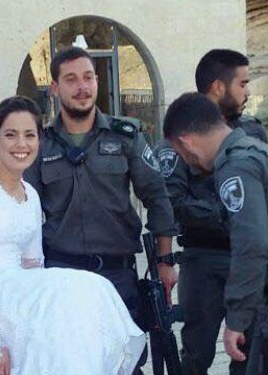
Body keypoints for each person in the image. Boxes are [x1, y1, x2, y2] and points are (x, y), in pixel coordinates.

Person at [0, 96, 146, 375]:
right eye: (10, 135)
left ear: (39, 140)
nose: (21, 145)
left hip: (16, 287)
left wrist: (41, 309)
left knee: (87, 293)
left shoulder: (31, 195)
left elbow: (33, 266)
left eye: (29, 135)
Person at [153, 48, 268, 375]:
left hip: (250, 263)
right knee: (196, 354)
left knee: (249, 353)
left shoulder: (250, 133)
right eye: (242, 83)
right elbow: (173, 204)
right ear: (218, 86)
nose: (247, 91)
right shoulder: (180, 135)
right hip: (204, 260)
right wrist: (235, 215)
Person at [23, 46, 178, 373]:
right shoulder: (41, 144)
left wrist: (165, 261)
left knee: (125, 362)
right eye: (71, 79)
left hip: (116, 277)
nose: (82, 86)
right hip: (62, 276)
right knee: (69, 363)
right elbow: (21, 208)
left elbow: (157, 196)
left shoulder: (126, 135)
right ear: (55, 88)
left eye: (88, 77)